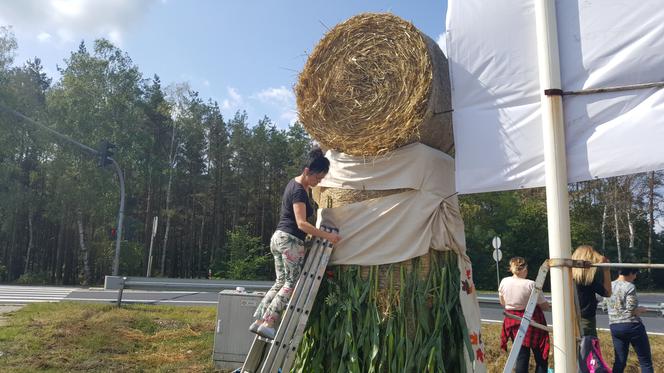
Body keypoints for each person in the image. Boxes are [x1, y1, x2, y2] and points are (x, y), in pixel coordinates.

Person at [249, 147, 341, 340]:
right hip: (290, 239)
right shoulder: (299, 191)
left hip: (278, 239)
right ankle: (269, 322)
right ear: (307, 171)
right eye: (318, 178)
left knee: (280, 282)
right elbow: (301, 223)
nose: (319, 182)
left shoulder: (296, 185)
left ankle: (258, 320)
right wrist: (327, 236)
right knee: (291, 283)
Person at [499, 257, 550, 373]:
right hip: (532, 322)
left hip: (512, 322)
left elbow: (503, 302)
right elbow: (544, 306)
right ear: (525, 269)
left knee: (521, 355)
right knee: (541, 356)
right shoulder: (531, 284)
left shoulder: (504, 281)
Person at [607, 267, 653, 373]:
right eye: (635, 274)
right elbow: (631, 309)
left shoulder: (609, 285)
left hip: (615, 326)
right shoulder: (630, 286)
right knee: (645, 361)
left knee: (620, 361)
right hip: (632, 326)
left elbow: (605, 307)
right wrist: (640, 310)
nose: (635, 277)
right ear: (631, 273)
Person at [571, 245, 612, 337]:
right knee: (588, 348)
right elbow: (607, 292)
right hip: (586, 319)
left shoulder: (566, 276)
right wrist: (606, 270)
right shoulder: (588, 280)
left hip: (568, 318)